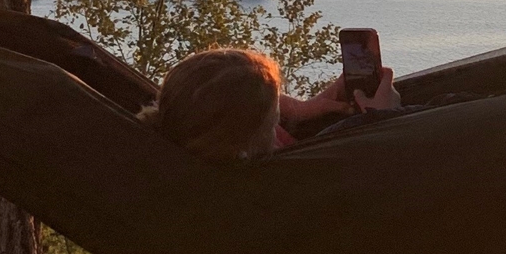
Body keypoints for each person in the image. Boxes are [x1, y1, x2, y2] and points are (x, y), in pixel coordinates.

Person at [140, 47, 399, 162]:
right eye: (275, 116)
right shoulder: (275, 177)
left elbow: (229, 104)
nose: (281, 117)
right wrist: (383, 119)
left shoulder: (186, 124)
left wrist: (303, 109)